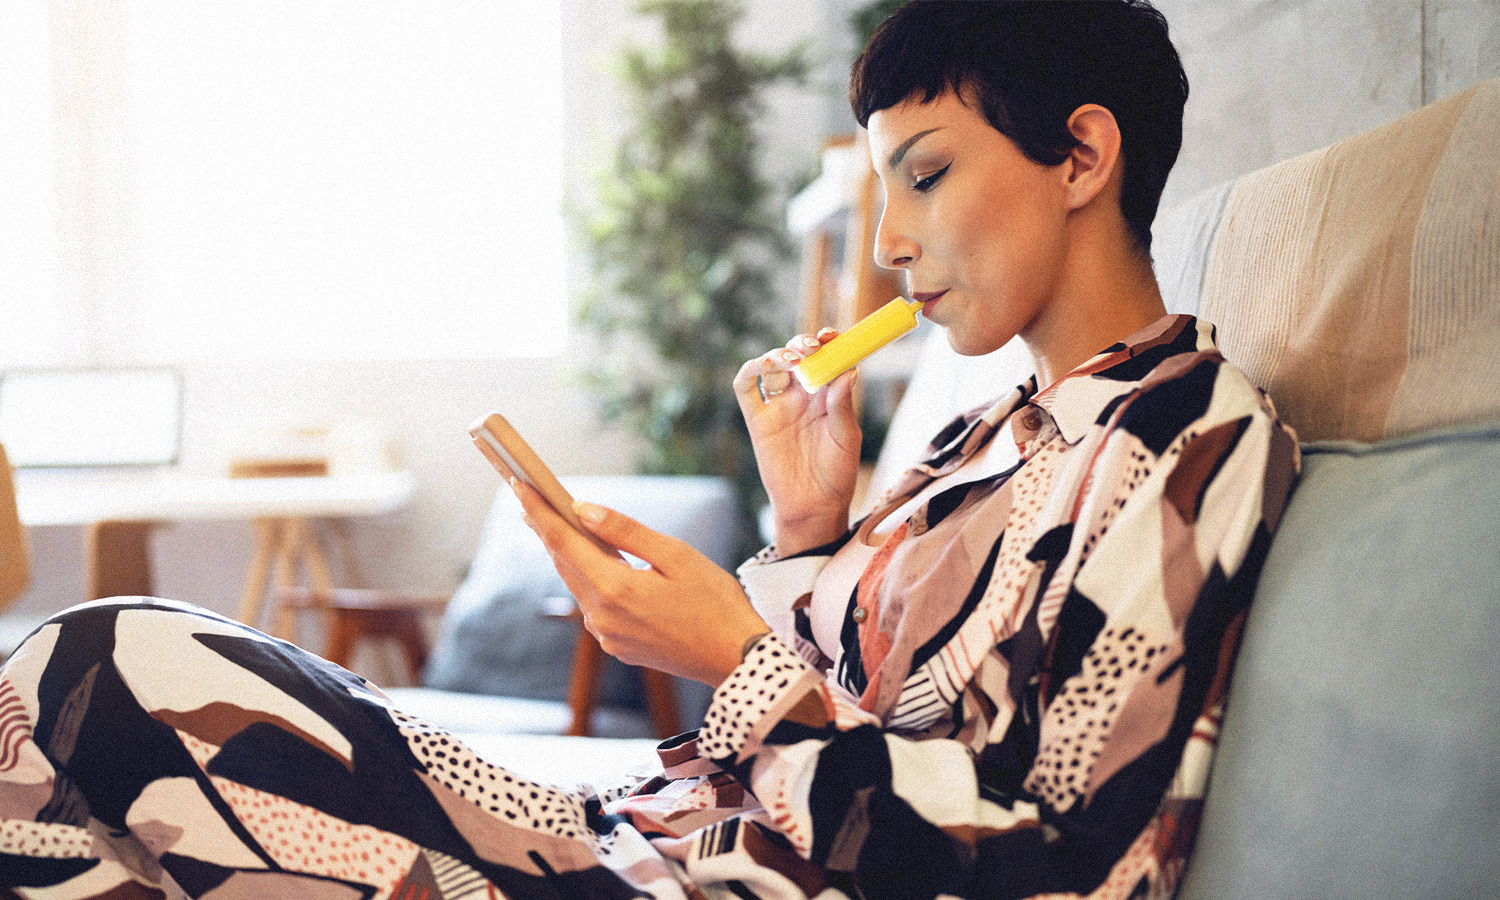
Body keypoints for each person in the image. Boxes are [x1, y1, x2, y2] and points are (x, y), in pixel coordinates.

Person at [0, 2, 1298, 898]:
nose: (890, 242)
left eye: (925, 174)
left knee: (97, 676)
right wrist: (808, 527)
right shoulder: (983, 438)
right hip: (634, 830)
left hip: (680, 879)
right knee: (72, 701)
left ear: (1081, 154)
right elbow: (845, 695)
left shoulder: (1186, 439)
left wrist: (730, 654)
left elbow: (1054, 859)